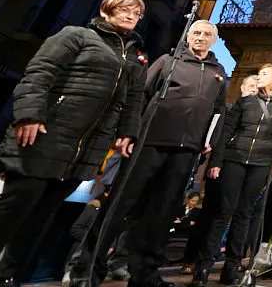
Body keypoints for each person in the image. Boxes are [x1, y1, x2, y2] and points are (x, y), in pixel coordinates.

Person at [0, 0, 147, 287]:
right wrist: (29, 114)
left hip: (86, 150)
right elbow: (40, 72)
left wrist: (127, 132)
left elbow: (132, 100)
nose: (132, 15)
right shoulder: (76, 35)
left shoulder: (134, 57)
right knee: (13, 209)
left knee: (41, 218)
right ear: (106, 11)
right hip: (46, 135)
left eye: (137, 13)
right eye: (125, 9)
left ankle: (5, 280)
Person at [70, 19, 228, 287]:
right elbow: (140, 96)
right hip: (149, 143)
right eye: (196, 33)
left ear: (214, 41)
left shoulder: (219, 72)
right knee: (120, 205)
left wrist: (209, 140)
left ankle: (145, 274)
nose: (201, 37)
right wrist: (129, 133)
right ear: (188, 36)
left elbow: (219, 111)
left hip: (187, 151)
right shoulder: (169, 61)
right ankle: (87, 270)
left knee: (161, 214)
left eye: (207, 34)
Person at [191, 64, 272, 287]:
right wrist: (216, 162)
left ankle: (231, 267)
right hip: (235, 158)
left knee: (244, 213)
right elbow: (226, 131)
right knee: (223, 212)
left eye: (265, 74)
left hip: (262, 162)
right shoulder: (245, 101)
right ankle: (204, 265)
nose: (260, 77)